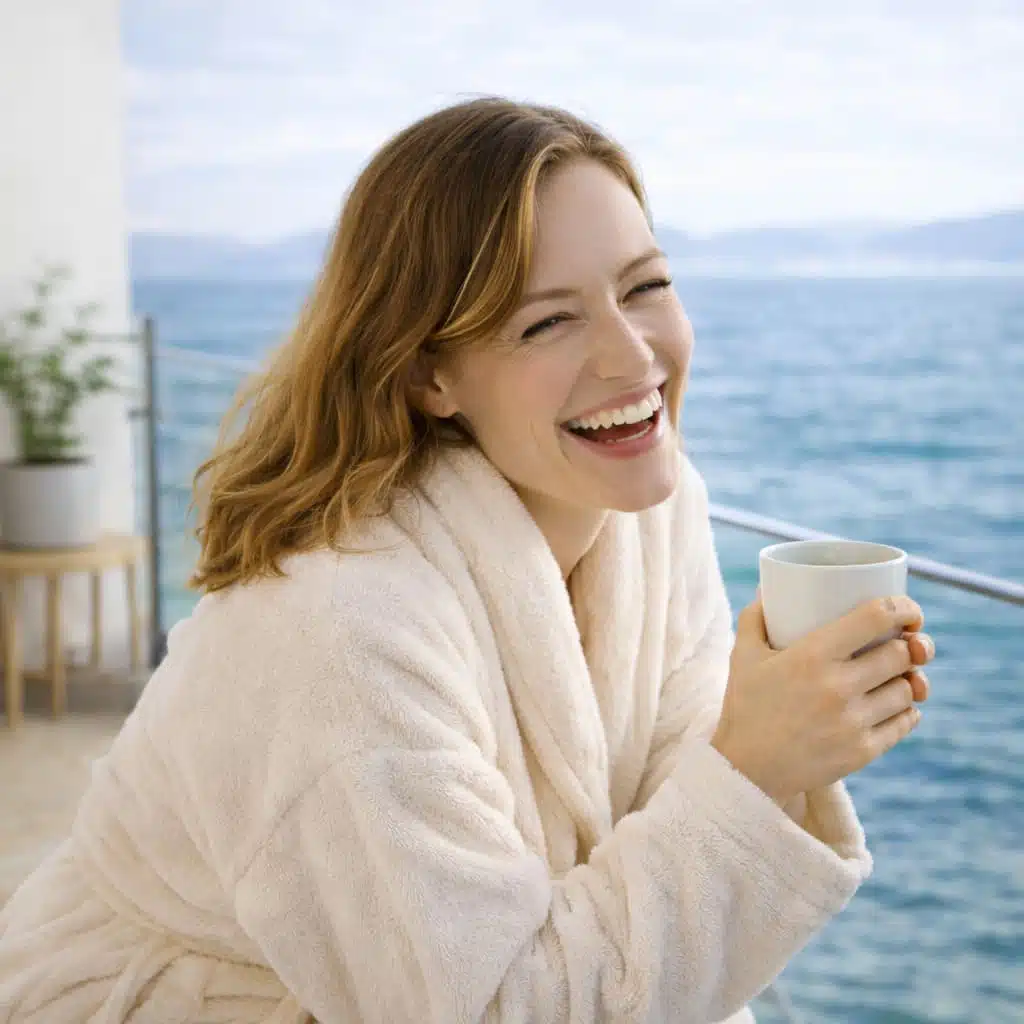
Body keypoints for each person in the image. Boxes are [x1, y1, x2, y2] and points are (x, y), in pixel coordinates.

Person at [0, 97, 935, 1023]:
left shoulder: (652, 508)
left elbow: (672, 789)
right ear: (428, 374)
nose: (631, 354)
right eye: (547, 323)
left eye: (645, 286)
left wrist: (777, 732)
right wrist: (757, 767)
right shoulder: (340, 629)